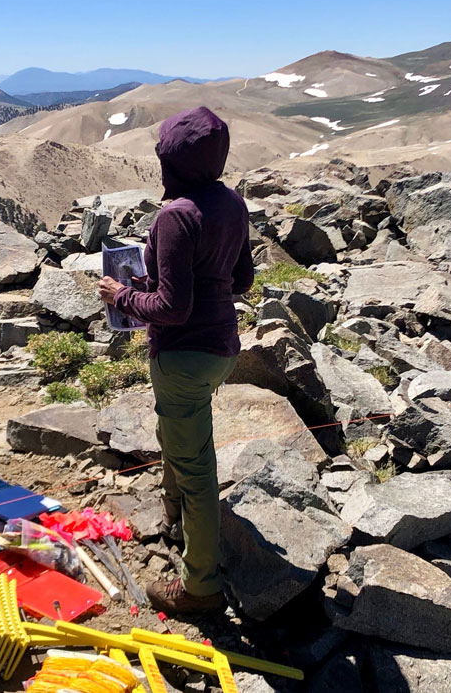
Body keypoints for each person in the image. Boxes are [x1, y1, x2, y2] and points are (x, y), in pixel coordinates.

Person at [98, 106, 254, 614]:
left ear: (171, 160)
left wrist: (121, 296)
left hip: (184, 357)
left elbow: (172, 308)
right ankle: (175, 520)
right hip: (221, 349)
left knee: (197, 470)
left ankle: (200, 587)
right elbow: (243, 280)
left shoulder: (175, 215)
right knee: (182, 442)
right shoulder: (231, 203)